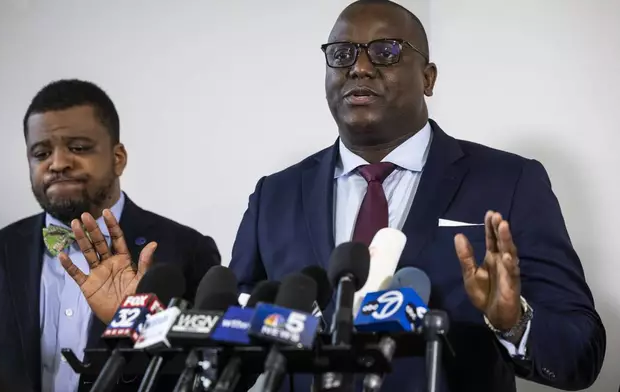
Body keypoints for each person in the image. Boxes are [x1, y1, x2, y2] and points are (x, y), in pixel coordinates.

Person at [229, 1, 606, 391]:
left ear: (428, 78)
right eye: (342, 54)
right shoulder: (274, 196)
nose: (358, 67)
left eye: (385, 51)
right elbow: (230, 351)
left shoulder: (509, 181)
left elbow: (581, 351)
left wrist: (516, 323)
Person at [0, 79, 220, 392]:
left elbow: (210, 376)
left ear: (118, 158)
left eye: (78, 148)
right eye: (40, 153)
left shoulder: (186, 251)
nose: (58, 163)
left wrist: (135, 324)